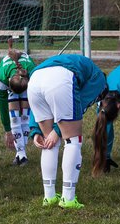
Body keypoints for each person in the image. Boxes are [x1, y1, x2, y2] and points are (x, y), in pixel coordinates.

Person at [27, 54, 108, 209]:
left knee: (48, 141)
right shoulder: (100, 81)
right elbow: (81, 102)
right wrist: (58, 130)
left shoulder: (82, 65)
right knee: (73, 140)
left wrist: (36, 129)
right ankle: (68, 198)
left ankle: (49, 196)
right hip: (60, 79)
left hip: (35, 80)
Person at [0, 39, 37, 165]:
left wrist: (34, 123)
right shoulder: (3, 79)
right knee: (14, 117)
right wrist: (7, 130)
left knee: (25, 114)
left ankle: (21, 153)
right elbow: (3, 106)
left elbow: (37, 101)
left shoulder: (33, 74)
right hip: (14, 81)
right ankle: (21, 154)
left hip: (25, 81)